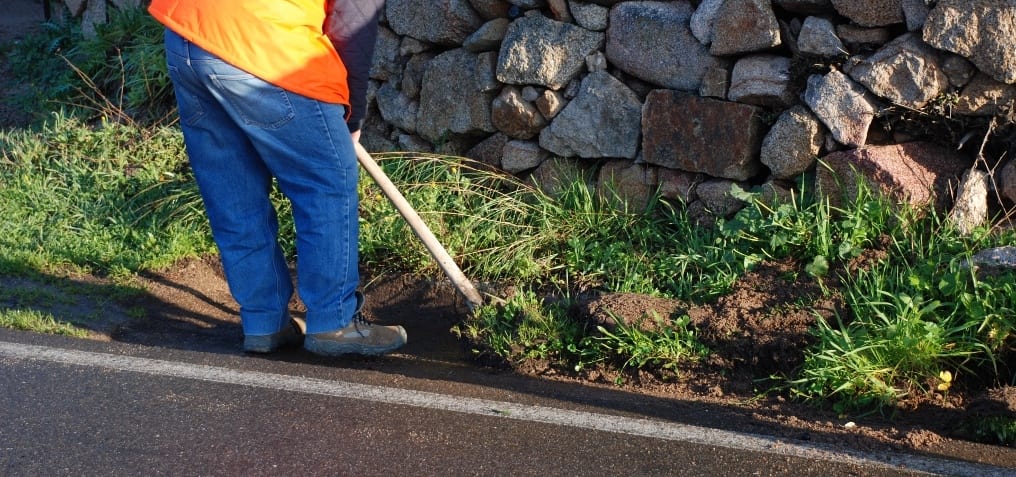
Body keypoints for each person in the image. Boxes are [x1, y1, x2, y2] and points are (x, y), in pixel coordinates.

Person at [148, 0, 406, 356]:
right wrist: (353, 115)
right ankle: (334, 323)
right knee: (325, 183)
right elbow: (352, 23)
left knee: (233, 191)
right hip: (265, 42)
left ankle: (264, 323)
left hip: (188, 33)